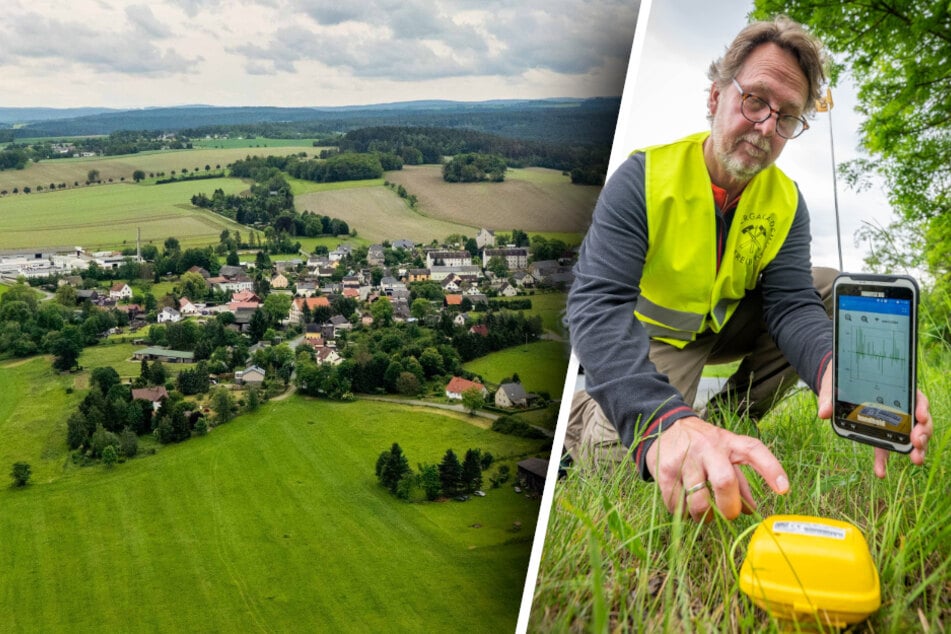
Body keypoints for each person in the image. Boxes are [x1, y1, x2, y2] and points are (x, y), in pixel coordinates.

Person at [565, 16, 933, 522]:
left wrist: (836, 370)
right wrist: (662, 422)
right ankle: (583, 410)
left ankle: (724, 422)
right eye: (755, 100)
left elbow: (792, 306)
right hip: (655, 339)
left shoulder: (785, 202)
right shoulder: (643, 179)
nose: (766, 127)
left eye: (786, 117)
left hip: (726, 323)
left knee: (826, 286)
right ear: (716, 96)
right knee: (631, 468)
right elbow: (596, 303)